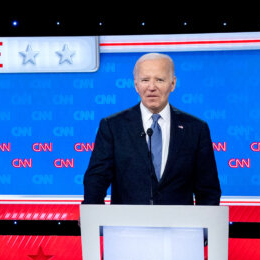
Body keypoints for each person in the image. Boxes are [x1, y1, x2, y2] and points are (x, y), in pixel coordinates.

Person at [81, 53, 221, 206]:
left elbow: (208, 190)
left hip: (180, 227)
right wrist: (94, 218)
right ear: (136, 85)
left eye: (160, 80)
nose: (151, 87)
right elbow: (96, 180)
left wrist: (206, 225)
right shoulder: (113, 126)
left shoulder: (196, 129)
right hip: (126, 226)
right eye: (145, 80)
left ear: (173, 84)